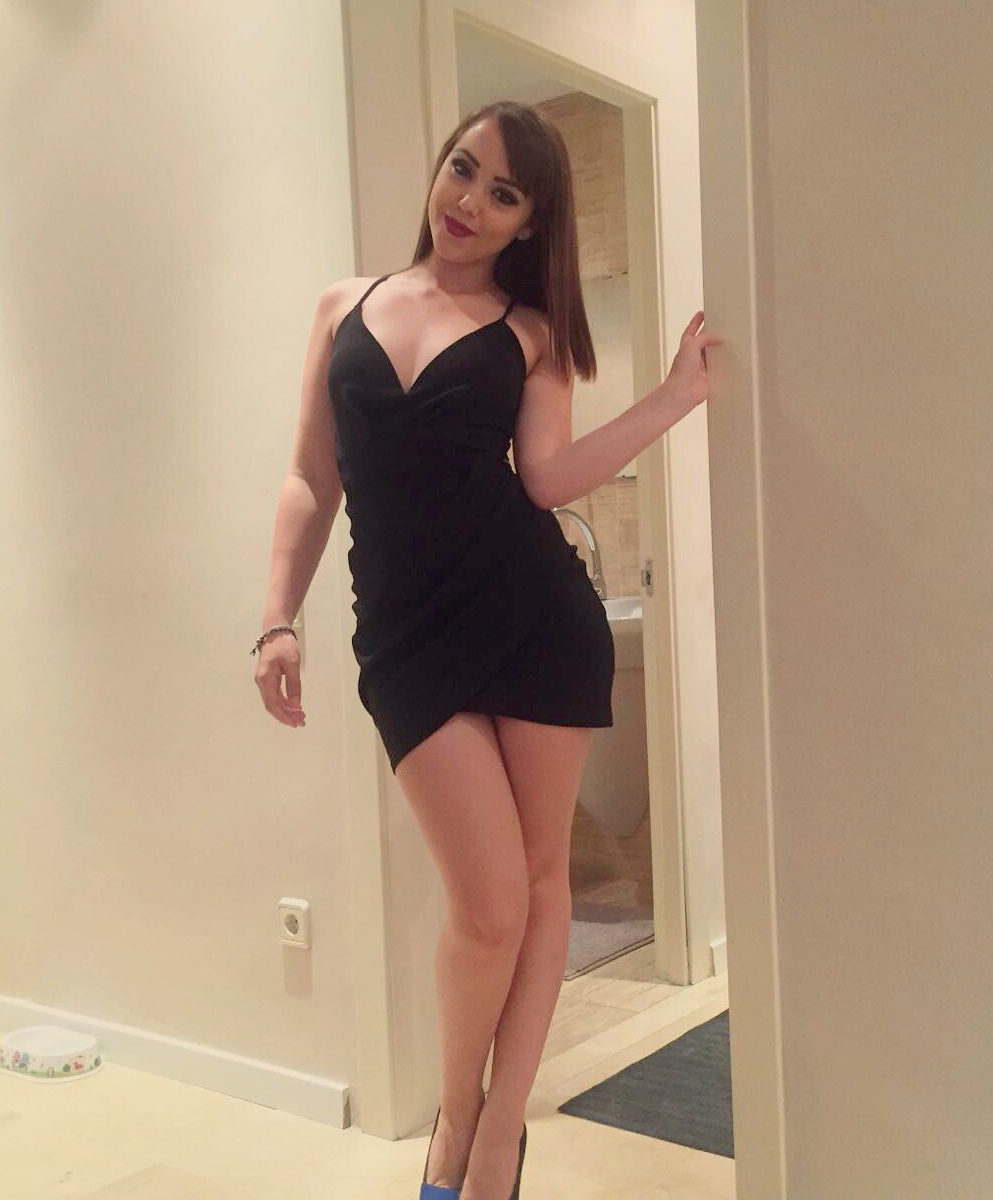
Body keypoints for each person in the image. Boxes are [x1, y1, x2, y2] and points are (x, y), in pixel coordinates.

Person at [253, 99, 721, 1200]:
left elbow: (546, 481)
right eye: (463, 169)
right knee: (489, 904)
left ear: (529, 222)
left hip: (535, 619)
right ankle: (458, 1114)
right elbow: (311, 476)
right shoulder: (343, 306)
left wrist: (674, 398)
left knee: (543, 884)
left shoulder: (535, 333)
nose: (469, 201)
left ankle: (499, 1132)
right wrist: (278, 616)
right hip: (406, 637)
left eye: (503, 192)